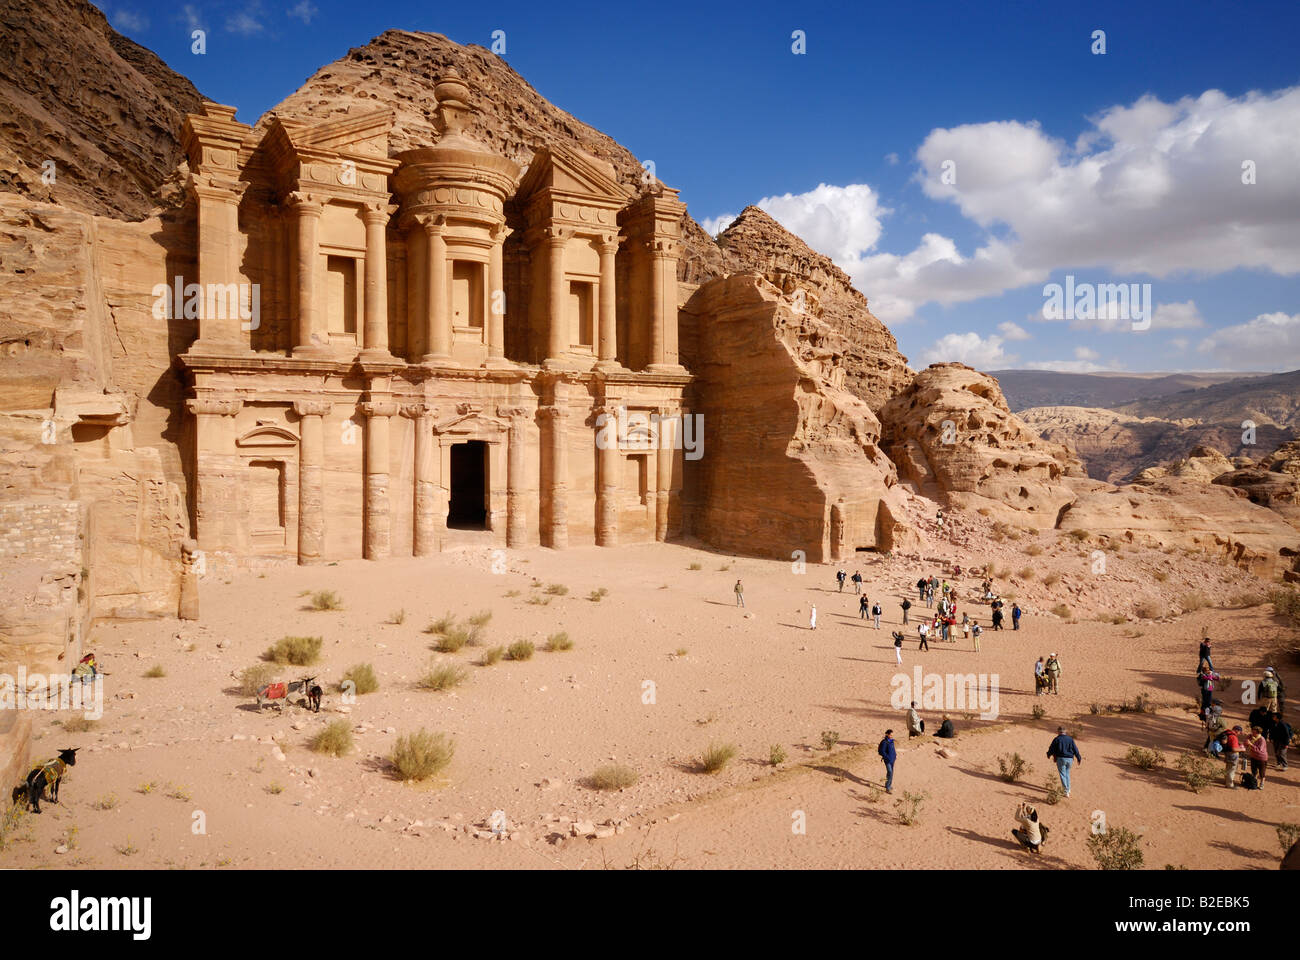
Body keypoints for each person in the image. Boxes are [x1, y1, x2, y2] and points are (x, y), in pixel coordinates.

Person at [1046, 726, 1082, 798]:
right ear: (1065, 731)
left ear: (1059, 731)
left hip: (1061, 759)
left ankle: (1066, 791)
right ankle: (1068, 789)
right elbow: (1075, 749)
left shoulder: (1057, 739)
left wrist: (1048, 754)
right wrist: (1078, 758)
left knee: (1062, 774)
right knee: (1067, 774)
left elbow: (1051, 748)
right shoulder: (1070, 739)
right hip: (1070, 759)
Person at [1246, 725, 1269, 789]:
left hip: (1261, 758)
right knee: (1254, 771)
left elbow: (1259, 750)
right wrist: (1248, 738)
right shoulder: (1251, 737)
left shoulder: (1262, 739)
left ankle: (1262, 783)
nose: (1252, 733)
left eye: (1254, 732)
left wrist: (1251, 744)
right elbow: (1246, 741)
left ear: (1258, 733)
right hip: (1253, 757)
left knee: (1262, 772)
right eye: (1252, 731)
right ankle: (1254, 782)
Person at [878, 729, 896, 793]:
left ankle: (888, 785)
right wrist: (887, 757)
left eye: (892, 735)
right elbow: (882, 751)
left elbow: (893, 750)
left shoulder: (892, 741)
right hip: (887, 760)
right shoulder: (884, 742)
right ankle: (888, 788)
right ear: (887, 734)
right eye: (890, 735)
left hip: (892, 760)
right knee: (890, 772)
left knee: (891, 773)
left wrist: (895, 756)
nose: (892, 736)